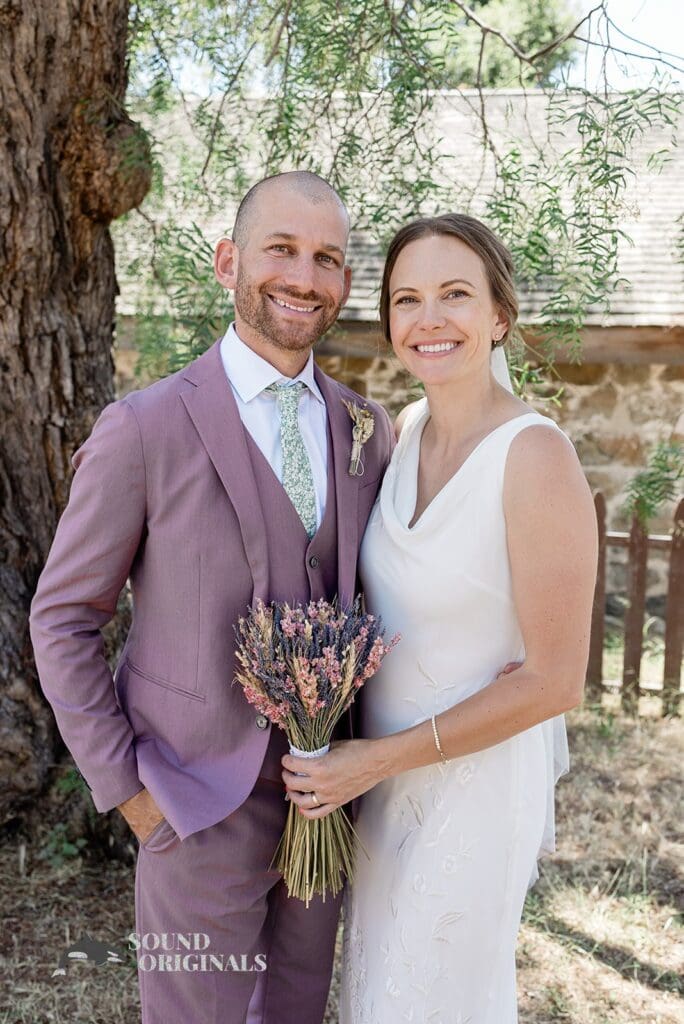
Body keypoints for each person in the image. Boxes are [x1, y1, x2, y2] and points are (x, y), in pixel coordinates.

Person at [29, 170, 394, 1024]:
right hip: (191, 808)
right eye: (282, 250)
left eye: (327, 259)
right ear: (229, 261)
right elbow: (64, 617)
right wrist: (128, 790)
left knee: (299, 1013)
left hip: (328, 805)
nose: (305, 278)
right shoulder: (145, 428)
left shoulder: (365, 433)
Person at [282, 214, 598, 1023]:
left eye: (455, 294)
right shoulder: (403, 433)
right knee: (376, 991)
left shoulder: (535, 455)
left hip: (473, 785)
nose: (429, 319)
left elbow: (556, 680)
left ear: (499, 314)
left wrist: (374, 760)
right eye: (407, 298)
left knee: (430, 1000)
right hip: (380, 787)